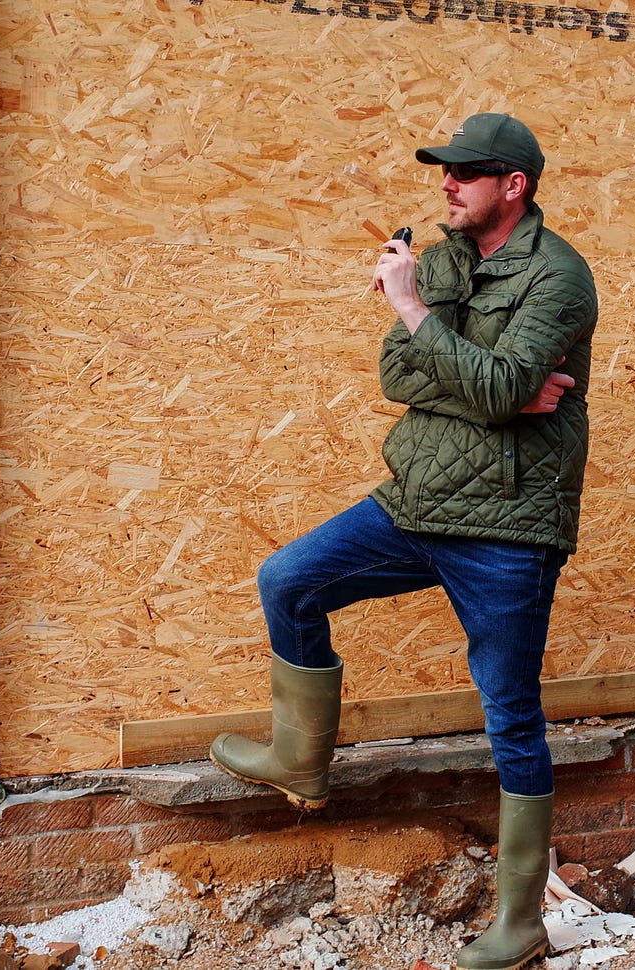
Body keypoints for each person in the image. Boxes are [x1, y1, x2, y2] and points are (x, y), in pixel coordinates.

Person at [210, 112, 598, 970]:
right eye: (444, 171)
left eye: (464, 172)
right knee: (290, 580)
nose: (447, 185)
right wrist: (492, 389)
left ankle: (520, 921)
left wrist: (417, 309)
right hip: (416, 500)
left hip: (506, 524)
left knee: (512, 714)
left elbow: (464, 367)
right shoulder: (450, 256)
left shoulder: (560, 278)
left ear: (513, 185)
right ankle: (300, 760)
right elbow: (401, 375)